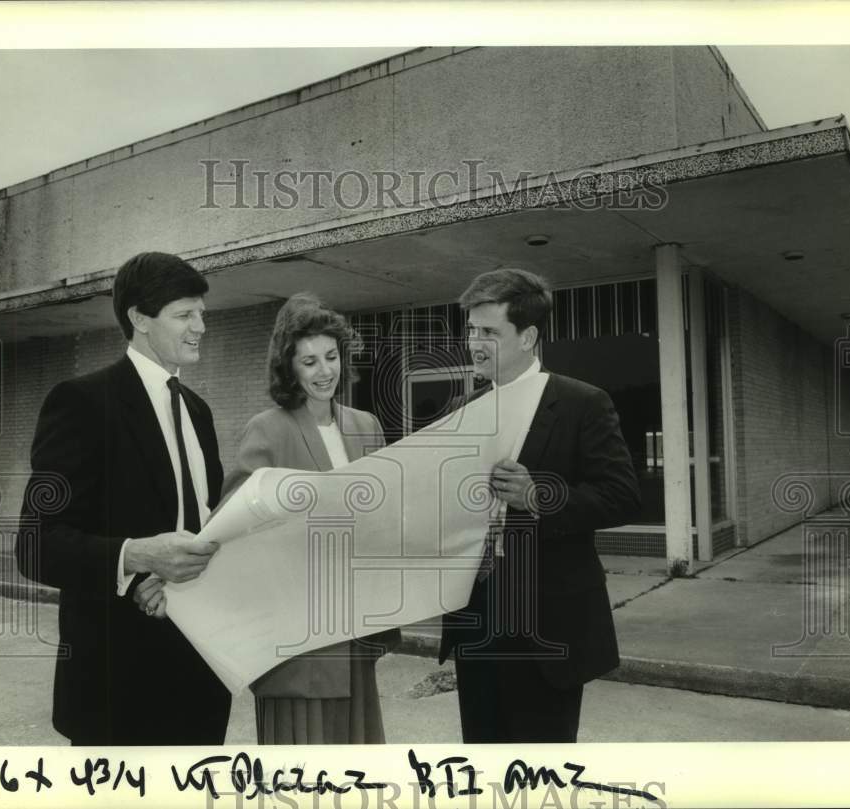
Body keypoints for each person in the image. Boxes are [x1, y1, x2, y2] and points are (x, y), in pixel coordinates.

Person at [15, 251, 231, 745]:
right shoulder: (82, 402)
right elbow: (36, 544)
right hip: (117, 688)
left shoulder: (199, 412)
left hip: (200, 678)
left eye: (202, 313)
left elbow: (201, 528)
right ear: (139, 318)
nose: (200, 326)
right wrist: (136, 557)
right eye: (184, 315)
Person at [439, 268, 641, 743]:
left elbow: (622, 496)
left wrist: (538, 495)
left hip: (548, 630)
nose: (474, 342)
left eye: (489, 332)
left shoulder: (582, 403)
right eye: (471, 330)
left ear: (527, 336)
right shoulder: (461, 411)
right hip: (477, 622)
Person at [220, 293, 396, 744]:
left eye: (332, 357)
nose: (325, 372)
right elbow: (236, 523)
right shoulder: (268, 428)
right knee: (301, 758)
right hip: (297, 631)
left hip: (355, 624)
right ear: (289, 368)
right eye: (310, 361)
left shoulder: (366, 425)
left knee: (355, 758)